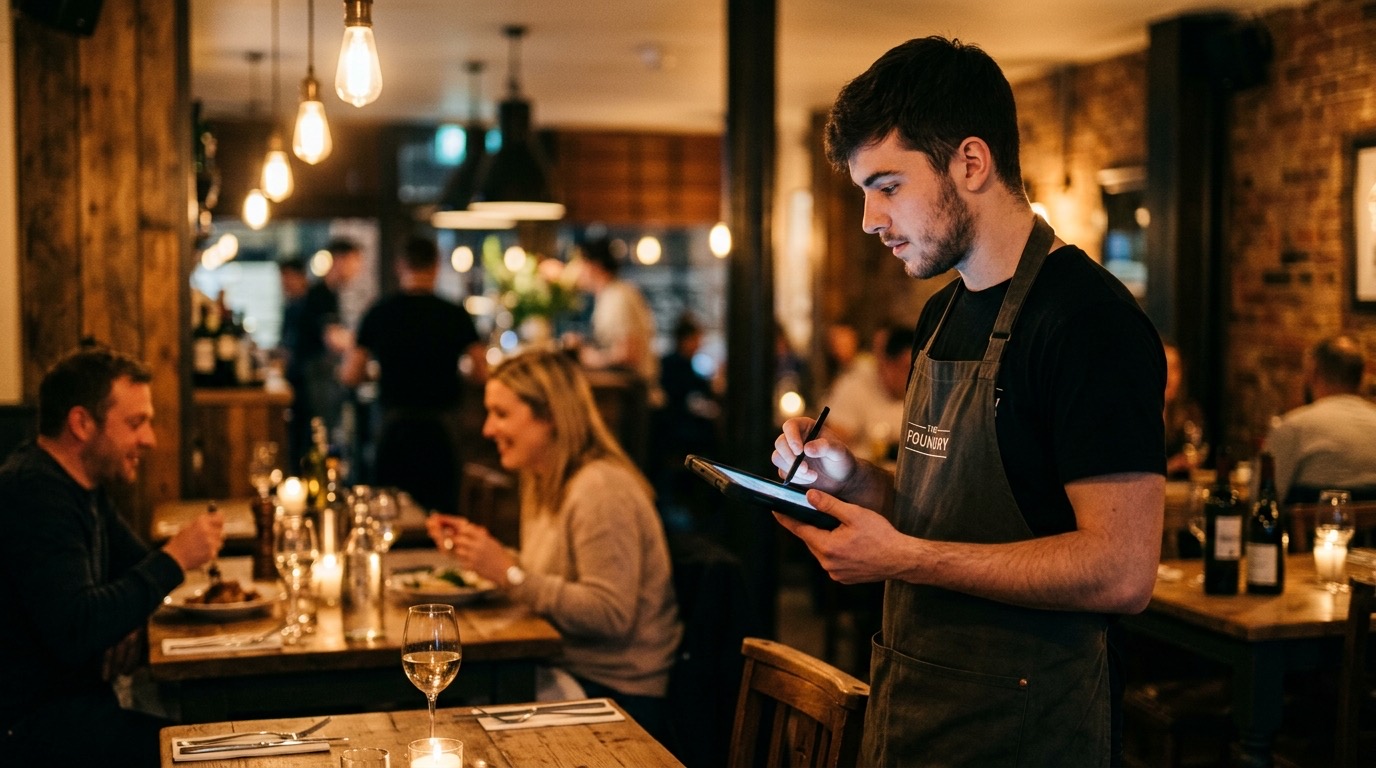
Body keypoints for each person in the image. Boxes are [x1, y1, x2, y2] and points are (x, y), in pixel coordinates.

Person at [770, 36, 1165, 766]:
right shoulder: (940, 314)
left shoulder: (1088, 321)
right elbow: (939, 513)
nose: (869, 219)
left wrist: (906, 558)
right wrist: (853, 481)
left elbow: (1123, 569)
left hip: (1027, 725)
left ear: (971, 163)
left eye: (887, 186)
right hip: (914, 698)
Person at [426, 348, 681, 740]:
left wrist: (509, 573)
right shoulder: (544, 478)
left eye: (502, 413)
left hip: (619, 696)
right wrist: (481, 553)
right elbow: (548, 575)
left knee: (458, 724)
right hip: (569, 671)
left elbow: (609, 615)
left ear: (548, 416)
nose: (487, 429)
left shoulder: (600, 488)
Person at [0, 347, 225, 767]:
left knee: (218, 738)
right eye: (136, 423)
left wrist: (130, 616)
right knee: (207, 753)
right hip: (34, 731)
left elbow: (133, 570)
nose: (150, 439)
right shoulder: (33, 493)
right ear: (82, 423)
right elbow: (77, 628)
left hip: (78, 713)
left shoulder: (83, 486)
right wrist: (175, 558)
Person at [341, 237, 485, 513]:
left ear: (399, 266)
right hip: (441, 431)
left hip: (394, 429)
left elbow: (350, 374)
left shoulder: (380, 313)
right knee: (441, 514)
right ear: (436, 265)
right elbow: (482, 373)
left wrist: (379, 373)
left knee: (389, 514)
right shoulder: (454, 314)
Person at [1262, 334, 1376, 503]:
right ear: (1361, 377)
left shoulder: (1294, 427)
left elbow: (1263, 499)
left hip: (1311, 529)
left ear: (1313, 371)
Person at [285, 238, 364, 463]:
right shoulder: (321, 294)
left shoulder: (327, 293)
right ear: (340, 260)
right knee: (319, 438)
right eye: (355, 262)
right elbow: (333, 339)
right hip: (313, 376)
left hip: (315, 375)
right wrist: (364, 343)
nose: (357, 270)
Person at [573, 238, 662, 406]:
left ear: (595, 266)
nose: (577, 272)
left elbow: (629, 354)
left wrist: (591, 358)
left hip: (632, 396)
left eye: (580, 264)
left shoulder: (618, 297)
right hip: (628, 393)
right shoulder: (610, 295)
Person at [825, 324, 914, 461]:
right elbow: (833, 442)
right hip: (863, 474)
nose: (912, 374)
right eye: (905, 367)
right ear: (886, 364)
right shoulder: (855, 387)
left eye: (916, 368)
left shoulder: (923, 395)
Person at [276, 256, 311, 463]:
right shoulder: (290, 307)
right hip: (295, 382)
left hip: (309, 384)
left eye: (287, 278)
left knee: (305, 436)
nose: (284, 283)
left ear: (301, 277)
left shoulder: (309, 305)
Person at [1162, 340, 1206, 479]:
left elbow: (1202, 448)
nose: (1169, 376)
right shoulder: (1137, 416)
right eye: (1164, 367)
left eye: (1174, 368)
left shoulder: (1189, 412)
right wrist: (1171, 466)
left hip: (1181, 492)